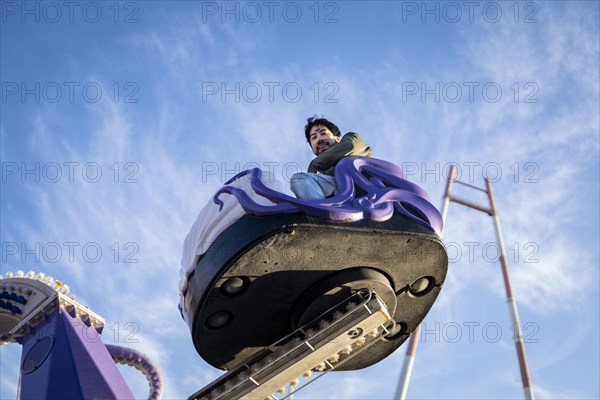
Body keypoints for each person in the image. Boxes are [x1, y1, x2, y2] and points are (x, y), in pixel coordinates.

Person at [290, 116, 373, 200]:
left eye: (323, 133)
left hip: (367, 187)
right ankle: (318, 211)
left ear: (337, 138)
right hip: (339, 195)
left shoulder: (352, 138)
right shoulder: (319, 175)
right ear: (312, 148)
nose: (319, 139)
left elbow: (350, 146)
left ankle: (318, 210)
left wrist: (314, 165)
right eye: (314, 137)